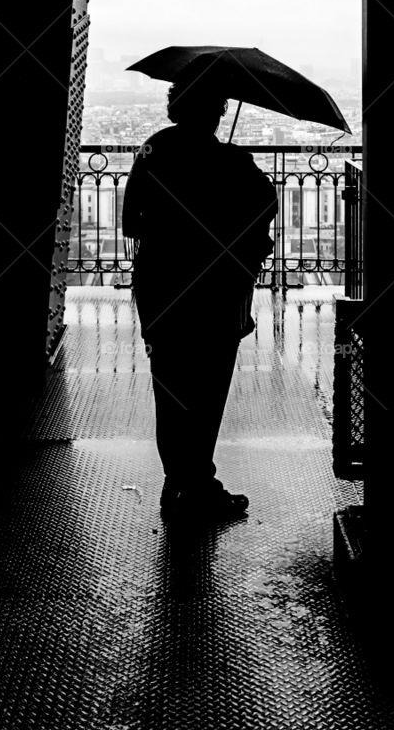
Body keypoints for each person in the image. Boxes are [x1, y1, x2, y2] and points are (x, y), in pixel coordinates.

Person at [121, 70, 279, 523]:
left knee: (169, 385)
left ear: (175, 106)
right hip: (218, 288)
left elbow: (132, 221)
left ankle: (178, 482)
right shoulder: (234, 164)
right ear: (218, 112)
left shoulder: (153, 150)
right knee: (208, 387)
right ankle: (199, 485)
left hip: (161, 284)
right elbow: (263, 211)